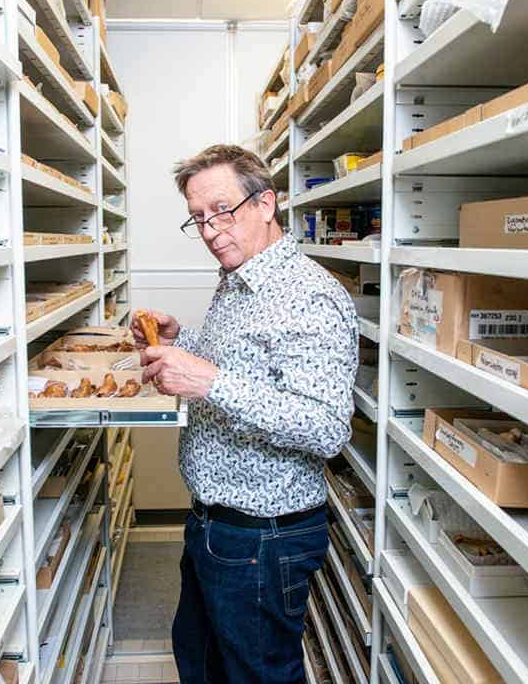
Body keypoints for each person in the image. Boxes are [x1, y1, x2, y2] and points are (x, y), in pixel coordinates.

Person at [132, 144, 359, 683]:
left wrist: (207, 380)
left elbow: (327, 427)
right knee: (203, 662)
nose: (211, 230)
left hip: (263, 536)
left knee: (259, 674)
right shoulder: (238, 279)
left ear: (266, 204)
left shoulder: (309, 296)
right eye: (198, 218)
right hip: (215, 523)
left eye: (222, 210)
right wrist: (182, 341)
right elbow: (249, 370)